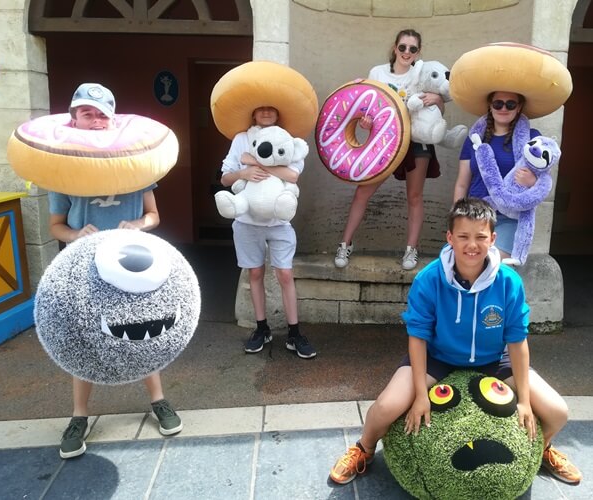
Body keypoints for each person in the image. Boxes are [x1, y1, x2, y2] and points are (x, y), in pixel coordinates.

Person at [329, 197, 582, 485]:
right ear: (450, 237)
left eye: (480, 237)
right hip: (438, 357)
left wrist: (524, 400)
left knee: (558, 412)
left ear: (493, 238)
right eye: (463, 236)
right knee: (386, 407)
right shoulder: (429, 279)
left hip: (494, 359)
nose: (471, 245)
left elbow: (517, 342)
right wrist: (420, 396)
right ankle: (364, 448)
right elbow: (418, 336)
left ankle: (541, 449)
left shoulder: (509, 282)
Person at [48, 83, 182, 459]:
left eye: (101, 114)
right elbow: (55, 226)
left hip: (130, 260)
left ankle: (158, 401)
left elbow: (153, 215)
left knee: (142, 330)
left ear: (112, 121)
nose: (95, 121)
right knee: (84, 338)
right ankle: (79, 417)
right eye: (87, 113)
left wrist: (139, 225)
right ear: (74, 118)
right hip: (84, 265)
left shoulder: (134, 165)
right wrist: (75, 233)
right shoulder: (63, 169)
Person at [335, 28, 444, 271]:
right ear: (395, 48)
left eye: (412, 49)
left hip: (416, 140)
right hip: (383, 141)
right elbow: (368, 109)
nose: (407, 52)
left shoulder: (424, 72)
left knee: (414, 196)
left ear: (419, 52)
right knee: (363, 192)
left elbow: (436, 115)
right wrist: (366, 123)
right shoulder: (378, 73)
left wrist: (436, 100)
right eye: (403, 47)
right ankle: (345, 243)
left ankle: (411, 250)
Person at [220, 106, 316, 359]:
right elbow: (225, 178)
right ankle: (262, 329)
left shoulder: (288, 139)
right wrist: (243, 172)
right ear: (252, 113)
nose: (265, 112)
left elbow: (292, 175)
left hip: (279, 222)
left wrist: (255, 161)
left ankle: (294, 332)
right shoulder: (241, 139)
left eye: (271, 108)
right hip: (246, 220)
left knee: (285, 273)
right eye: (259, 108)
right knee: (255, 273)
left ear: (279, 112)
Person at [453, 91, 538, 261]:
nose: (503, 108)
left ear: (519, 107)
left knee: (492, 265)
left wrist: (531, 181)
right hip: (474, 214)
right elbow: (462, 184)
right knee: (463, 266)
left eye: (510, 104)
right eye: (498, 103)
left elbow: (543, 182)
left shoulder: (532, 138)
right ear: (490, 106)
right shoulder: (474, 139)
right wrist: (455, 218)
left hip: (510, 216)